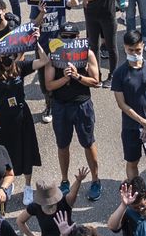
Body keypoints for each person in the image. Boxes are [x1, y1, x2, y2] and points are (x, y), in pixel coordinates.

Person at [43, 23, 105, 202]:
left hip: (82, 105)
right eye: (65, 36)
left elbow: (95, 81)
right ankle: (64, 180)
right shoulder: (53, 55)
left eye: (72, 37)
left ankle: (95, 180)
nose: (68, 40)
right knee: (62, 145)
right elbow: (49, 85)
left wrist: (78, 76)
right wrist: (65, 77)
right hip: (61, 106)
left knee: (88, 142)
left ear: (78, 38)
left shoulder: (88, 54)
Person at [109, 31, 146, 194]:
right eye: (130, 50)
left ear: (142, 46)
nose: (135, 54)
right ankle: (136, 193)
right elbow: (122, 104)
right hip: (131, 127)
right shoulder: (119, 74)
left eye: (138, 50)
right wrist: (142, 121)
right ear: (125, 48)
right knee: (132, 161)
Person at [16, 169, 90, 236]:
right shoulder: (35, 207)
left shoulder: (64, 202)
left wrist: (78, 180)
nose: (51, 203)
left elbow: (73, 193)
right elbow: (20, 221)